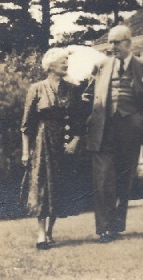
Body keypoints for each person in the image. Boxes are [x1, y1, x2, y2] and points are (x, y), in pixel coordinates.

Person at [83, 25, 143, 243]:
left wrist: (140, 121)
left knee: (123, 179)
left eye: (116, 42)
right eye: (110, 42)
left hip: (130, 131)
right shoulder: (100, 66)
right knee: (103, 178)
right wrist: (91, 119)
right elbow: (87, 97)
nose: (112, 46)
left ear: (128, 42)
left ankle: (115, 225)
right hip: (103, 131)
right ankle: (104, 228)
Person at [20, 48, 84, 250]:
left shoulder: (72, 89)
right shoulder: (37, 88)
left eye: (67, 61)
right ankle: (40, 234)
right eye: (62, 61)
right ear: (50, 65)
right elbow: (26, 125)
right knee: (42, 186)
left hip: (63, 144)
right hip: (43, 142)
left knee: (59, 185)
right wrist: (25, 151)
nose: (66, 64)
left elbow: (79, 121)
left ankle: (50, 231)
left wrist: (75, 141)